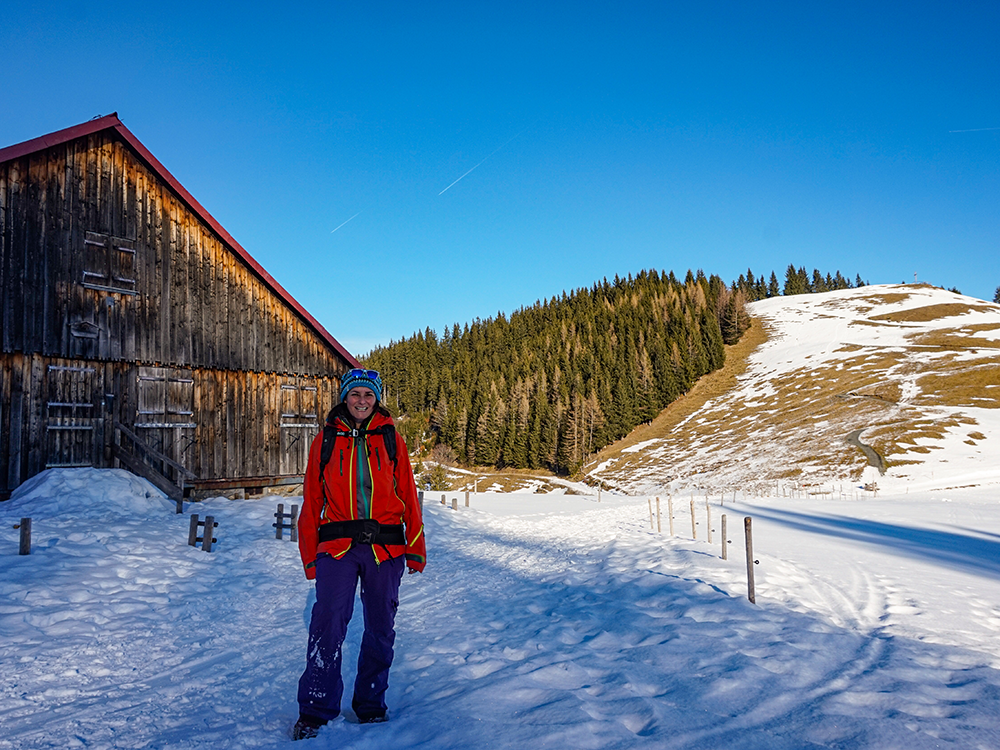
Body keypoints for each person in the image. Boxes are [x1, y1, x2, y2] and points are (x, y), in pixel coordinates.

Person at [293, 368, 426, 740]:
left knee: (381, 626)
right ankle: (315, 710)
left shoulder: (390, 438)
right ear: (344, 398)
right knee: (328, 621)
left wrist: (415, 547)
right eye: (355, 395)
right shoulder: (326, 439)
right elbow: (312, 498)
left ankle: (370, 705)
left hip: (386, 548)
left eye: (368, 395)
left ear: (376, 398)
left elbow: (408, 495)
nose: (362, 401)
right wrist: (309, 555)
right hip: (337, 547)